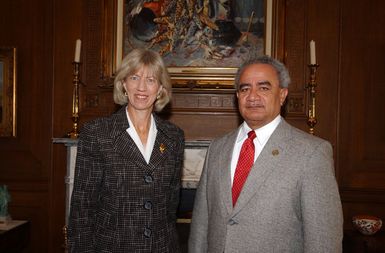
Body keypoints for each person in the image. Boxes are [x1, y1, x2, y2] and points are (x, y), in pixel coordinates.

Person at [188, 55, 343, 252]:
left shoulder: (312, 153)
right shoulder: (217, 148)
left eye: (263, 88)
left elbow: (323, 240)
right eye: (245, 88)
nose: (252, 96)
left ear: (282, 95)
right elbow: (201, 226)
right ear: (237, 96)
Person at [68, 48, 185, 252]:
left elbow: (170, 206)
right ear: (123, 84)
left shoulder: (174, 137)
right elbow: (82, 210)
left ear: (160, 89)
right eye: (134, 77)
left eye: (150, 79)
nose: (141, 87)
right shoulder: (97, 133)